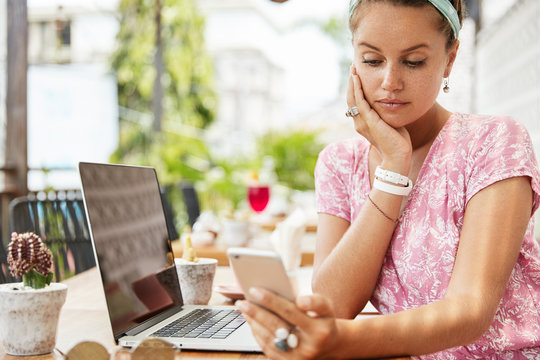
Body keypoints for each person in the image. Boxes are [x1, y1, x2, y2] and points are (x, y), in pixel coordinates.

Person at [235, 0, 540, 358]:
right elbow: (332, 304)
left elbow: (470, 312)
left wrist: (342, 340)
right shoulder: (339, 164)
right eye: (372, 60)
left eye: (413, 62)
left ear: (450, 58)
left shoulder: (494, 142)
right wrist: (393, 169)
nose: (390, 82)